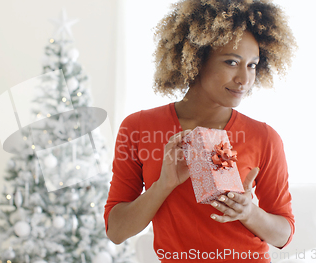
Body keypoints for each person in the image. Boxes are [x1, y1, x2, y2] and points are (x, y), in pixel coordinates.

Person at [104, 0, 297, 262]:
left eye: (252, 65)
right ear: (196, 59)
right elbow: (116, 231)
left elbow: (284, 235)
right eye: (231, 62)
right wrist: (164, 185)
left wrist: (248, 212)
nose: (244, 79)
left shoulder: (264, 137)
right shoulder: (138, 128)